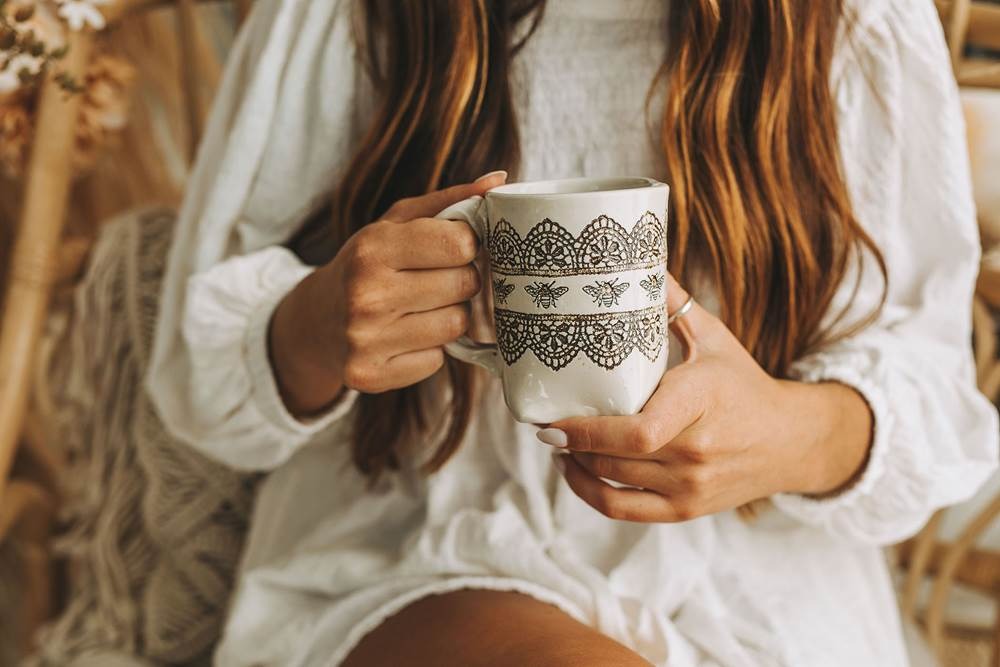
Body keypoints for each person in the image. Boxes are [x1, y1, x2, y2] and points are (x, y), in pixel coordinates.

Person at [147, 0, 999, 664]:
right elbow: (194, 380)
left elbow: (932, 391)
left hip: (766, 597)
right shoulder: (346, 18)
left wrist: (785, 434)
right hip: (420, 553)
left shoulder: (853, 20)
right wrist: (317, 326)